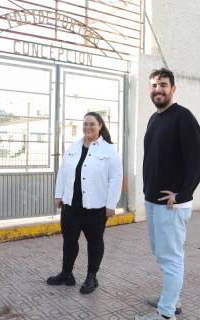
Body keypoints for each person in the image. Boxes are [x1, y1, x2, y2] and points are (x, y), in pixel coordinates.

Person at [135, 68, 200, 320]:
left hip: (172, 205)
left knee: (170, 258)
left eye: (163, 85)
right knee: (161, 253)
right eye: (154, 85)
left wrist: (183, 193)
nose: (158, 89)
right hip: (153, 201)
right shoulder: (155, 119)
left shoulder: (183, 117)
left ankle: (166, 314)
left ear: (173, 89)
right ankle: (172, 298)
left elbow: (199, 158)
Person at [47, 112, 123, 294]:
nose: (88, 127)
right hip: (71, 205)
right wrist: (59, 195)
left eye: (92, 124)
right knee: (69, 241)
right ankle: (67, 273)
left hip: (95, 207)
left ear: (100, 126)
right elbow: (63, 172)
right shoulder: (73, 147)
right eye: (85, 124)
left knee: (95, 241)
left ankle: (91, 277)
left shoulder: (108, 150)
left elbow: (116, 178)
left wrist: (111, 204)